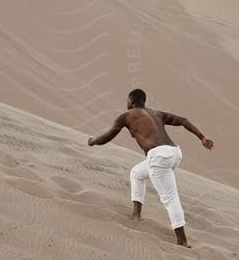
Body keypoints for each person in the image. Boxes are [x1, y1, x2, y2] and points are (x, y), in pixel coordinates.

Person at [87, 89, 214, 247]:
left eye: (127, 100)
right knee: (136, 174)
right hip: (174, 153)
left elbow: (107, 137)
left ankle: (182, 240)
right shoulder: (156, 113)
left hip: (159, 156)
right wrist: (202, 137)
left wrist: (92, 141)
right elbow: (183, 120)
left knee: (170, 199)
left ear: (132, 101)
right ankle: (136, 214)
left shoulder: (126, 116)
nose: (126, 103)